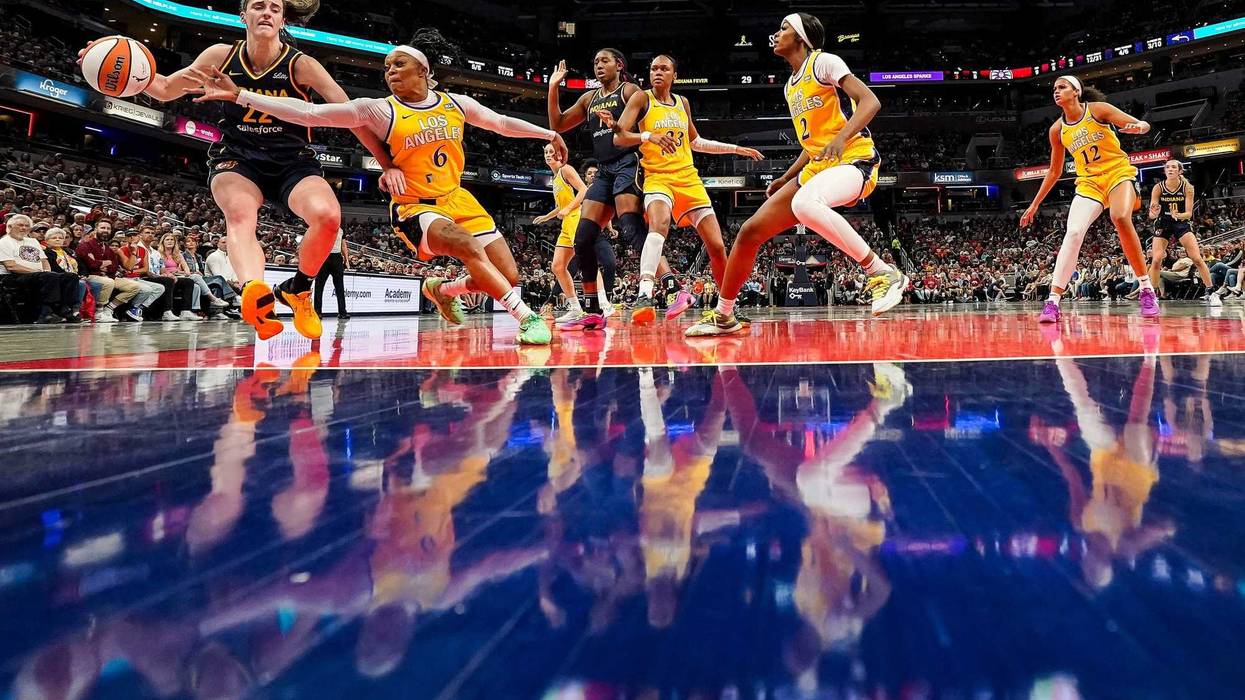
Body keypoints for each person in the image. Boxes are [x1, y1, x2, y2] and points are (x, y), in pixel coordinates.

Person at [187, 30, 567, 345]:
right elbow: (310, 113)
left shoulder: (457, 104)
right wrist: (242, 95)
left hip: (460, 198)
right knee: (467, 247)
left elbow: (500, 123)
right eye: (386, 67)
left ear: (423, 70)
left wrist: (548, 132)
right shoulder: (379, 109)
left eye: (398, 64)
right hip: (416, 205)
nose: (390, 71)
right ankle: (527, 318)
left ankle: (442, 289)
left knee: (509, 278)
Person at [81, 0, 400, 340]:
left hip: (292, 159)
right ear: (243, 15)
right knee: (240, 214)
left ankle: (299, 290)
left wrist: (387, 164)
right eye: (259, 6)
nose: (267, 12)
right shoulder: (220, 55)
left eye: (274, 8)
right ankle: (254, 292)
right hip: (238, 156)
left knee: (328, 218)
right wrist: (109, 62)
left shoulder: (301, 65)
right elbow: (163, 88)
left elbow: (352, 114)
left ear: (282, 18)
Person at [686, 14, 906, 337]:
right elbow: (810, 143)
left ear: (801, 38)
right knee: (749, 231)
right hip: (817, 166)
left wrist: (842, 137)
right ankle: (724, 315)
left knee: (805, 203)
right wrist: (786, 175)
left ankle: (881, 272)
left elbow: (870, 102)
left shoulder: (824, 62)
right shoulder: (791, 86)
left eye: (784, 28)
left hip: (855, 160)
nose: (776, 34)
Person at [598, 54, 763, 325]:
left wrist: (735, 149)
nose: (657, 72)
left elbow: (695, 142)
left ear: (674, 75)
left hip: (689, 179)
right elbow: (619, 137)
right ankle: (644, 294)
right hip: (658, 177)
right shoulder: (642, 99)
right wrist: (649, 136)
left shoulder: (682, 103)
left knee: (718, 246)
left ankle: (726, 307)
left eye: (664, 68)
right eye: (653, 68)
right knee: (659, 225)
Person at [1020, 75, 1157, 324]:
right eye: (1054, 88)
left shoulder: (1097, 110)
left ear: (1076, 91)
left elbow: (1140, 124)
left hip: (1117, 173)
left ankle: (1146, 288)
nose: (1056, 91)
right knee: (1073, 233)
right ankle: (1052, 301)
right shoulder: (1057, 129)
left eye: (1062, 87)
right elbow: (1054, 171)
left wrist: (1139, 127)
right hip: (1089, 183)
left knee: (1120, 216)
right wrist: (1034, 203)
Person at [547, 49, 649, 330]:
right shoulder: (588, 99)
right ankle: (592, 310)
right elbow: (557, 124)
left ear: (619, 64)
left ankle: (663, 286)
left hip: (629, 163)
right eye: (595, 62)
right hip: (604, 170)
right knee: (583, 239)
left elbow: (622, 135)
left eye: (605, 61)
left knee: (630, 226)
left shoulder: (630, 91)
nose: (599, 65)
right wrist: (553, 87)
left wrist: (615, 124)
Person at [531, 147, 603, 325]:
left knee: (585, 260)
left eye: (552, 152)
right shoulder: (556, 178)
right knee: (557, 266)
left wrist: (568, 209)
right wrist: (547, 217)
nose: (548, 155)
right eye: (546, 152)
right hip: (566, 223)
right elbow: (561, 205)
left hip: (576, 217)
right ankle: (575, 308)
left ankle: (603, 302)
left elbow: (583, 190)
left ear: (560, 154)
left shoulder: (566, 169)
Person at [1147, 160, 1220, 306]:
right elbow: (1151, 215)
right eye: (1167, 167)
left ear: (1180, 171)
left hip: (1180, 223)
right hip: (1163, 223)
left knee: (1197, 258)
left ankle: (1211, 292)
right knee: (1156, 259)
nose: (1170, 169)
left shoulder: (1188, 187)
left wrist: (1178, 215)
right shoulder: (1158, 187)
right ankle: (1151, 295)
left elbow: (1188, 213)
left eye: (1174, 167)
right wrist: (1154, 213)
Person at [0, 214, 82, 324]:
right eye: (20, 225)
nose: (24, 228)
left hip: (39, 274)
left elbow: (44, 261)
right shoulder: (4, 242)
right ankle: (46, 312)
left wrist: (47, 272)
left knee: (70, 276)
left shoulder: (32, 241)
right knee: (48, 276)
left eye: (26, 225)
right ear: (10, 227)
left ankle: (67, 309)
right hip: (13, 276)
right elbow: (11, 266)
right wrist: (40, 272)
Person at [72, 222, 145, 322]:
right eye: (102, 228)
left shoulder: (107, 248)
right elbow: (91, 265)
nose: (105, 230)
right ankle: (99, 311)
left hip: (108, 276)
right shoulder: (85, 245)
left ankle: (109, 309)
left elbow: (114, 267)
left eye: (108, 228)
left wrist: (103, 264)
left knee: (135, 286)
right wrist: (105, 263)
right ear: (96, 229)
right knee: (108, 282)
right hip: (90, 275)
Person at [314, 227, 348, 318]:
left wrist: (346, 260)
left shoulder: (341, 230)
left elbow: (343, 245)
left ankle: (342, 312)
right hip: (324, 255)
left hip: (337, 257)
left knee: (340, 287)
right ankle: (317, 312)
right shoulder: (322, 227)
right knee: (319, 286)